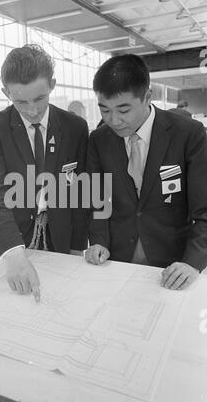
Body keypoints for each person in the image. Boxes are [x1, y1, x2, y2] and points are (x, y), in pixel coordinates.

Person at [0, 44, 89, 301]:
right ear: (6, 92)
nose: (32, 110)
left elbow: (81, 190)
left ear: (52, 85)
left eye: (39, 98)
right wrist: (13, 253)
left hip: (58, 237)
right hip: (9, 237)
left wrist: (77, 245)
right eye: (20, 101)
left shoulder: (75, 128)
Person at [85, 54, 207, 290]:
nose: (114, 120)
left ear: (147, 97)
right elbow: (98, 200)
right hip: (116, 262)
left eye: (123, 109)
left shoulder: (188, 134)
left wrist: (192, 263)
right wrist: (98, 241)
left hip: (173, 266)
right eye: (105, 110)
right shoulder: (99, 139)